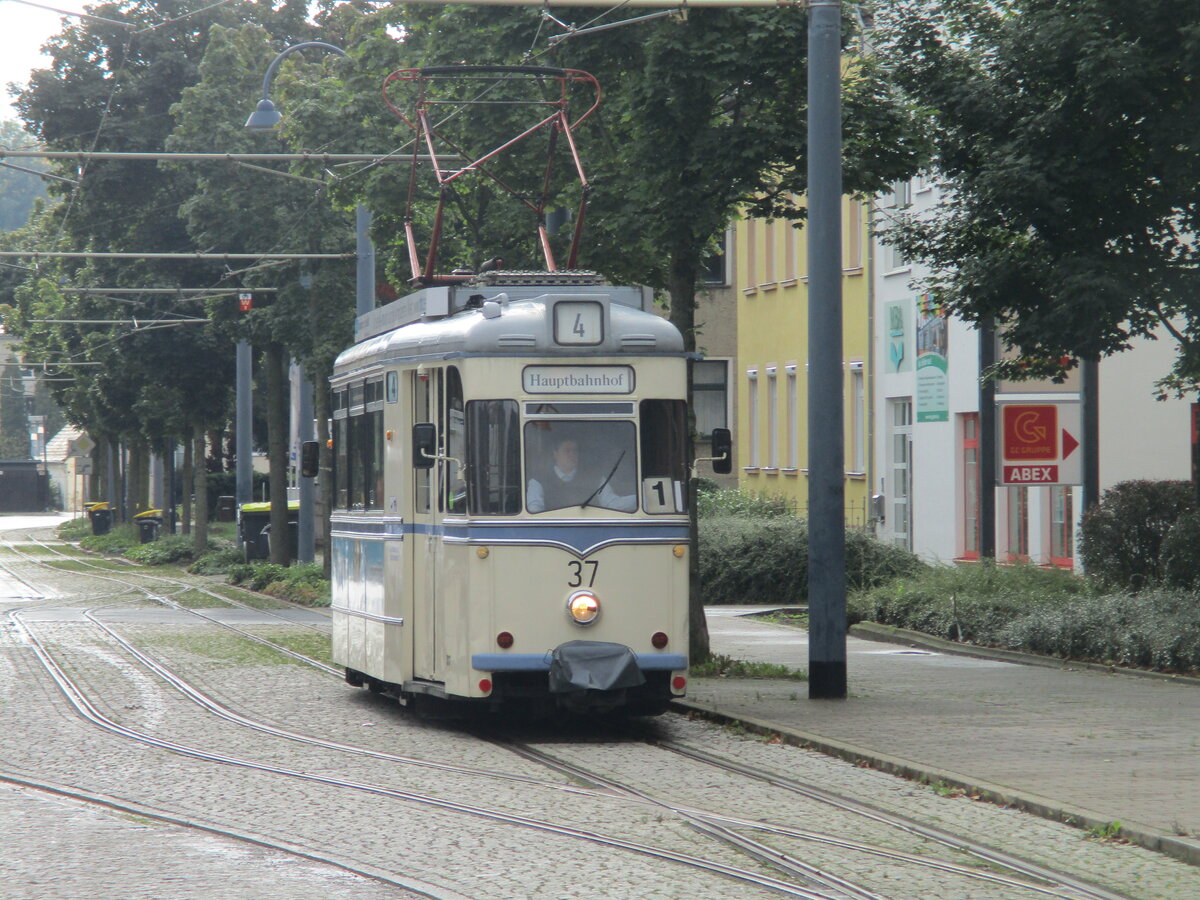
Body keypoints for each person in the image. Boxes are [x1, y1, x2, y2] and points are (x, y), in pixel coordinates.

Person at [527, 437, 636, 513]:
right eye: (567, 451)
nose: (572, 455)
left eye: (575, 451)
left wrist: (643, 498)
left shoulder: (595, 478)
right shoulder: (538, 480)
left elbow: (611, 504)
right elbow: (534, 510)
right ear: (555, 454)